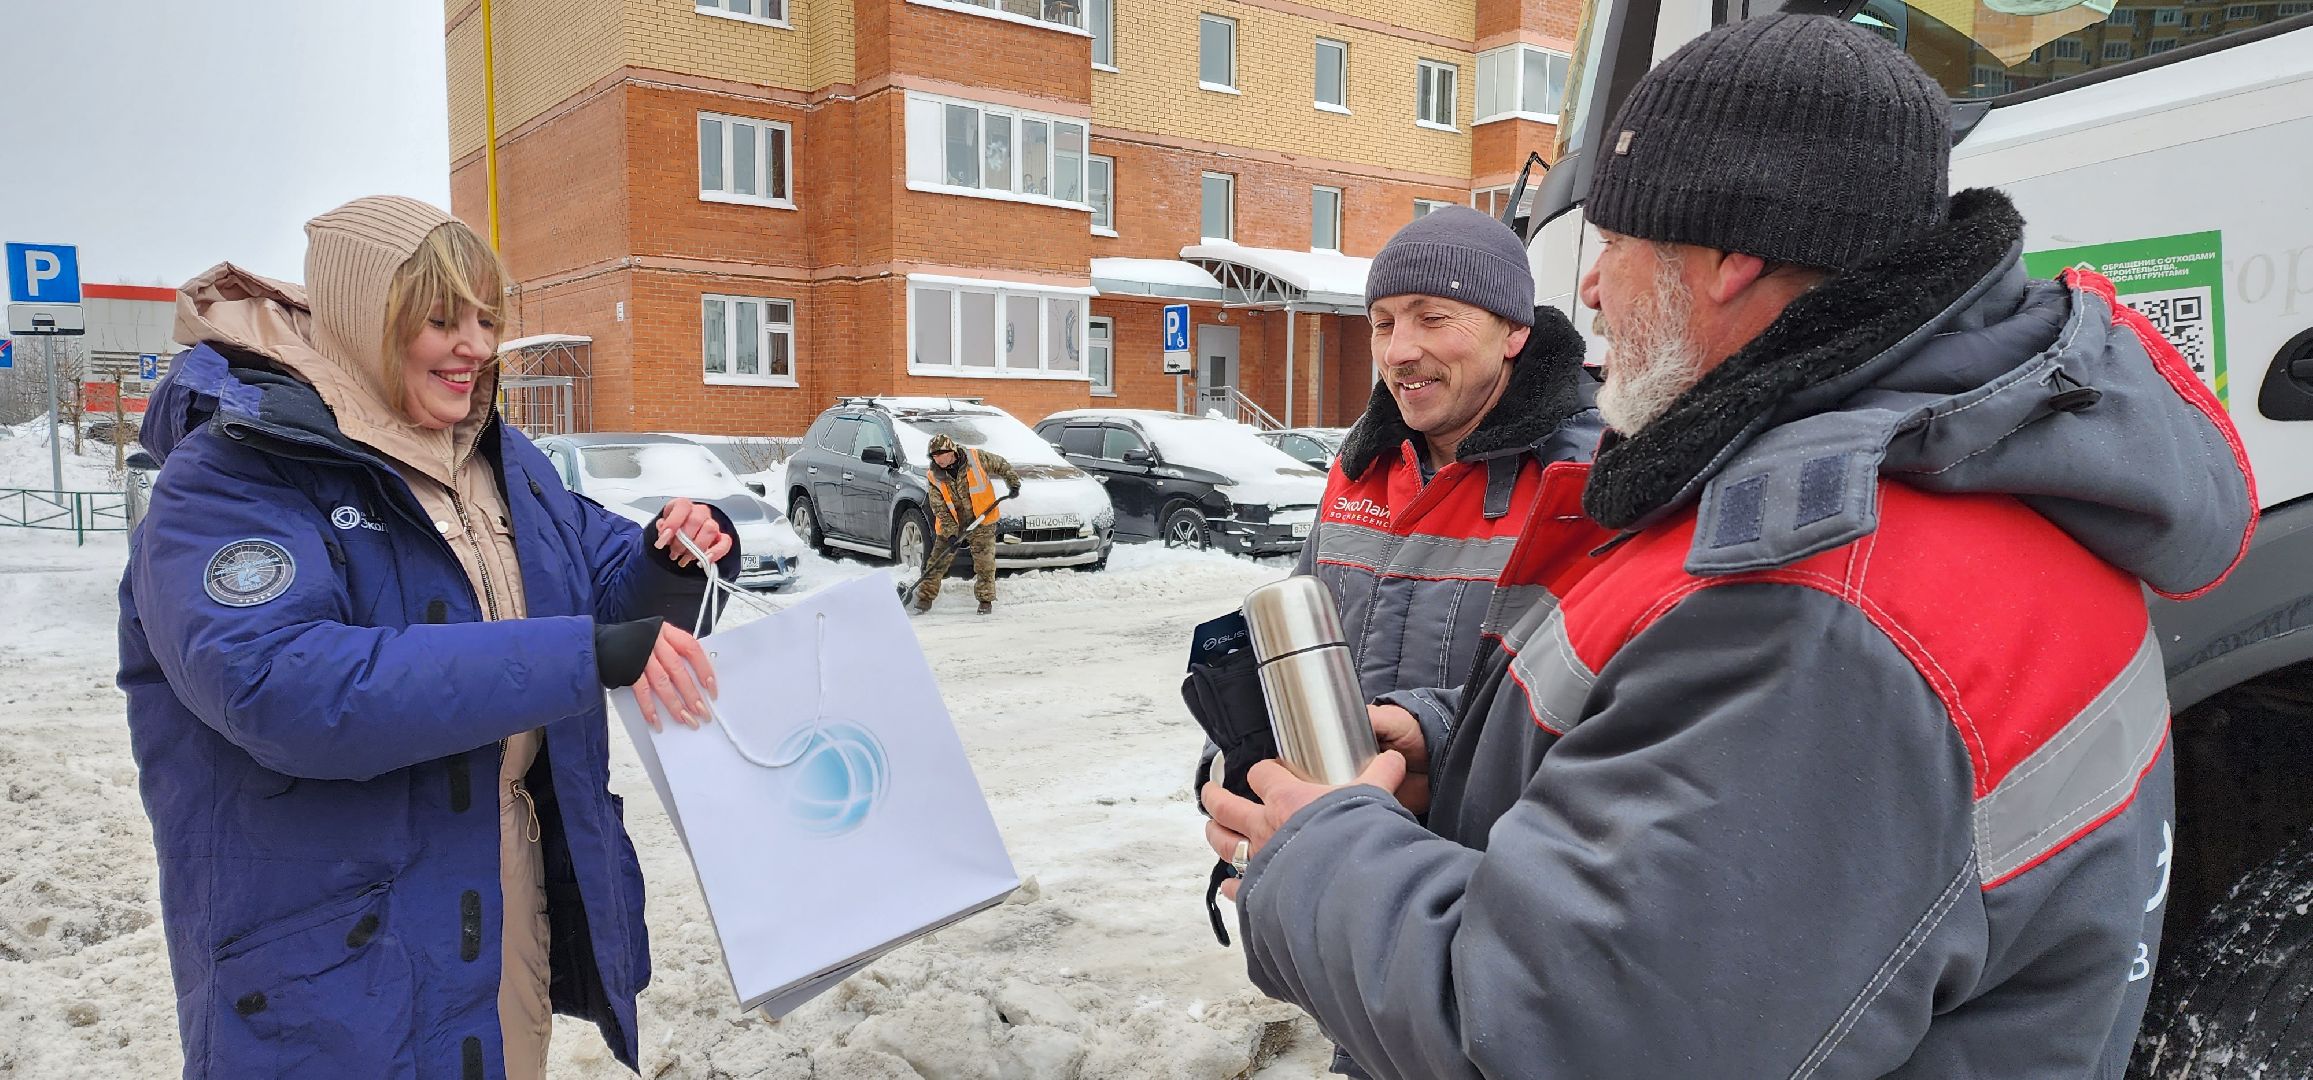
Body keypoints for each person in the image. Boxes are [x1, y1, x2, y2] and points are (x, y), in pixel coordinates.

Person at [1200, 15, 2258, 1079]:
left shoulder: (1819, 610)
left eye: (1617, 245)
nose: (1597, 289)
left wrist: (1320, 853)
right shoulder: (1934, 481)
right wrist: (1456, 758)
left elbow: (1555, 1035)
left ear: (1731, 259)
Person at [118, 196, 736, 1079]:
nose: (477, 345)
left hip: (498, 893)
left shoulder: (497, 461)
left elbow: (608, 586)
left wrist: (677, 556)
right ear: (367, 322)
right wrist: (578, 656)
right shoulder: (233, 474)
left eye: (487, 319)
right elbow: (284, 686)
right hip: (335, 949)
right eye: (440, 319)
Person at [913, 432, 1020, 616]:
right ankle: (924, 598)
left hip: (982, 520)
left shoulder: (976, 458)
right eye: (934, 456)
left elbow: (1000, 464)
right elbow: (939, 508)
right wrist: (951, 533)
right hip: (952, 523)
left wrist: (1013, 483)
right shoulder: (934, 476)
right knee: (937, 561)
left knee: (984, 563)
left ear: (951, 451)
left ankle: (985, 600)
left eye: (940, 454)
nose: (937, 460)